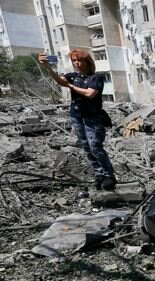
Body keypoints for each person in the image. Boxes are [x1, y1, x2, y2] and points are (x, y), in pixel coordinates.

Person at [39, 50, 116, 190]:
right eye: (74, 60)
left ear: (87, 61)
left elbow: (90, 93)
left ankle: (109, 175)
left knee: (95, 146)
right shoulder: (73, 76)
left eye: (79, 60)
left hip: (93, 117)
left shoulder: (95, 78)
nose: (77, 63)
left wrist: (71, 86)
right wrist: (48, 67)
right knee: (86, 146)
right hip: (77, 115)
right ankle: (99, 173)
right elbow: (59, 80)